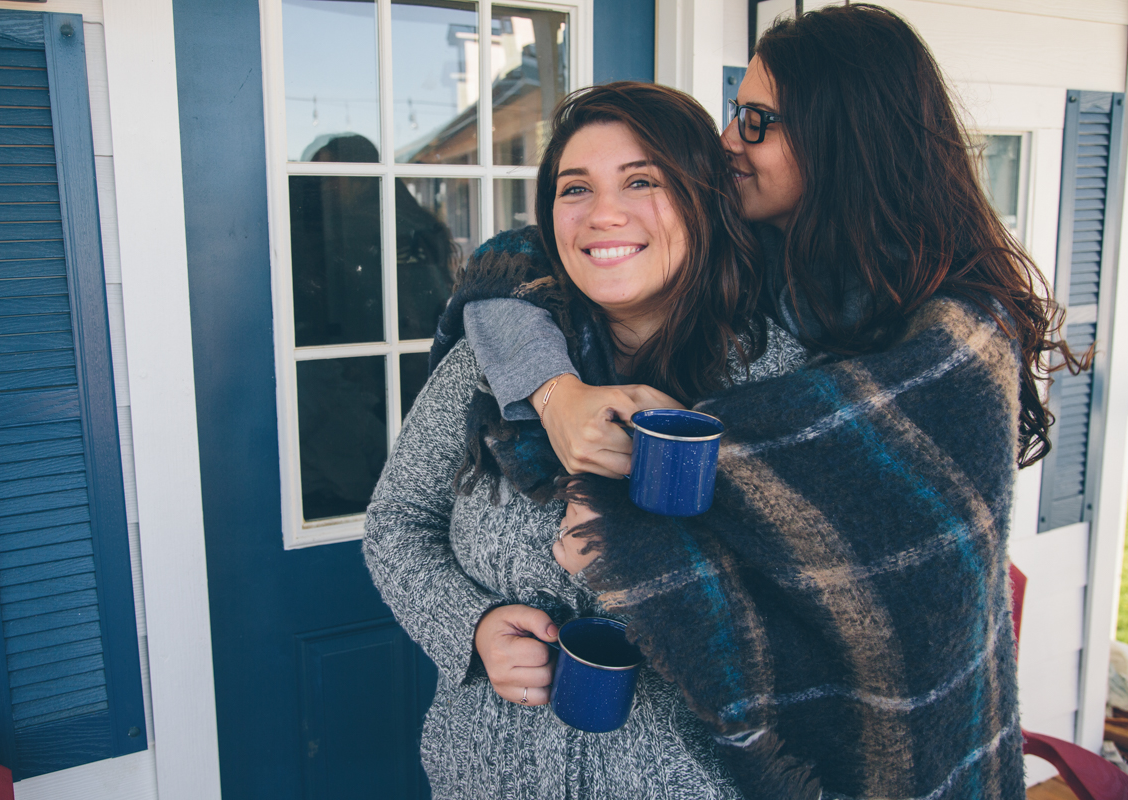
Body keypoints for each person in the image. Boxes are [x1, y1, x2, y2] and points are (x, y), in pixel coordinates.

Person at [438, 5, 1082, 799]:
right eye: (734, 115)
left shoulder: (938, 341)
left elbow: (892, 599)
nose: (727, 143)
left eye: (755, 122)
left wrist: (629, 538)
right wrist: (555, 391)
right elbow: (516, 264)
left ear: (840, 137)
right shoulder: (758, 256)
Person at [363, 82, 807, 799]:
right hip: (482, 777)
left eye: (642, 181)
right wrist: (471, 628)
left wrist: (642, 569)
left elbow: (823, 624)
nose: (603, 214)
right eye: (576, 188)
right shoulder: (488, 361)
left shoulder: (783, 383)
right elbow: (397, 523)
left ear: (704, 199)